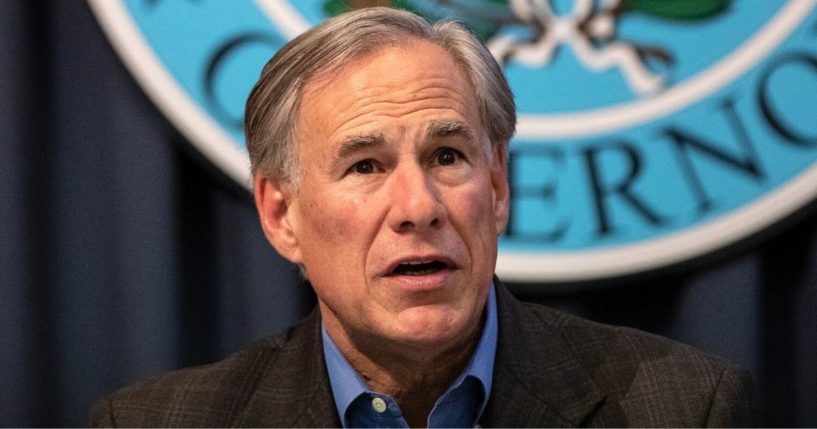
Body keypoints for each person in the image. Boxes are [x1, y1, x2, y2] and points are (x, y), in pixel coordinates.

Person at [90, 7, 757, 427]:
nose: (417, 207)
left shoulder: (687, 409)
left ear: (496, 186)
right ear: (280, 213)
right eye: (365, 166)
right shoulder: (153, 421)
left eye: (446, 155)